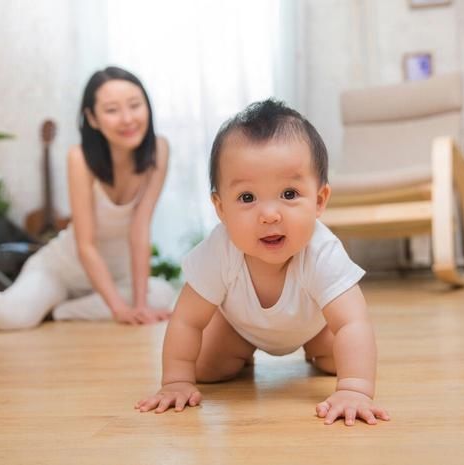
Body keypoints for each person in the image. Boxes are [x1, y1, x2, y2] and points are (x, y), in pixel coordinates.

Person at [135, 99, 390, 426]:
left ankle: (314, 348)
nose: (269, 215)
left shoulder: (321, 250)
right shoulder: (220, 250)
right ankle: (240, 351)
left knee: (339, 358)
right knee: (207, 369)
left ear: (319, 200)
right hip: (238, 327)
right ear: (221, 208)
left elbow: (353, 322)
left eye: (288, 194)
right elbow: (186, 320)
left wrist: (355, 389)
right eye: (246, 198)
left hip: (314, 325)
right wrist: (176, 381)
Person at [0, 66, 176, 330]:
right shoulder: (80, 158)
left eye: (134, 105)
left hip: (118, 273)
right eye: (112, 110)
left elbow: (140, 228)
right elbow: (86, 245)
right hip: (63, 269)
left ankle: (57, 311)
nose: (128, 119)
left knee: (162, 295)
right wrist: (118, 310)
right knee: (12, 318)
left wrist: (140, 306)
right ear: (92, 118)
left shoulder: (158, 150)